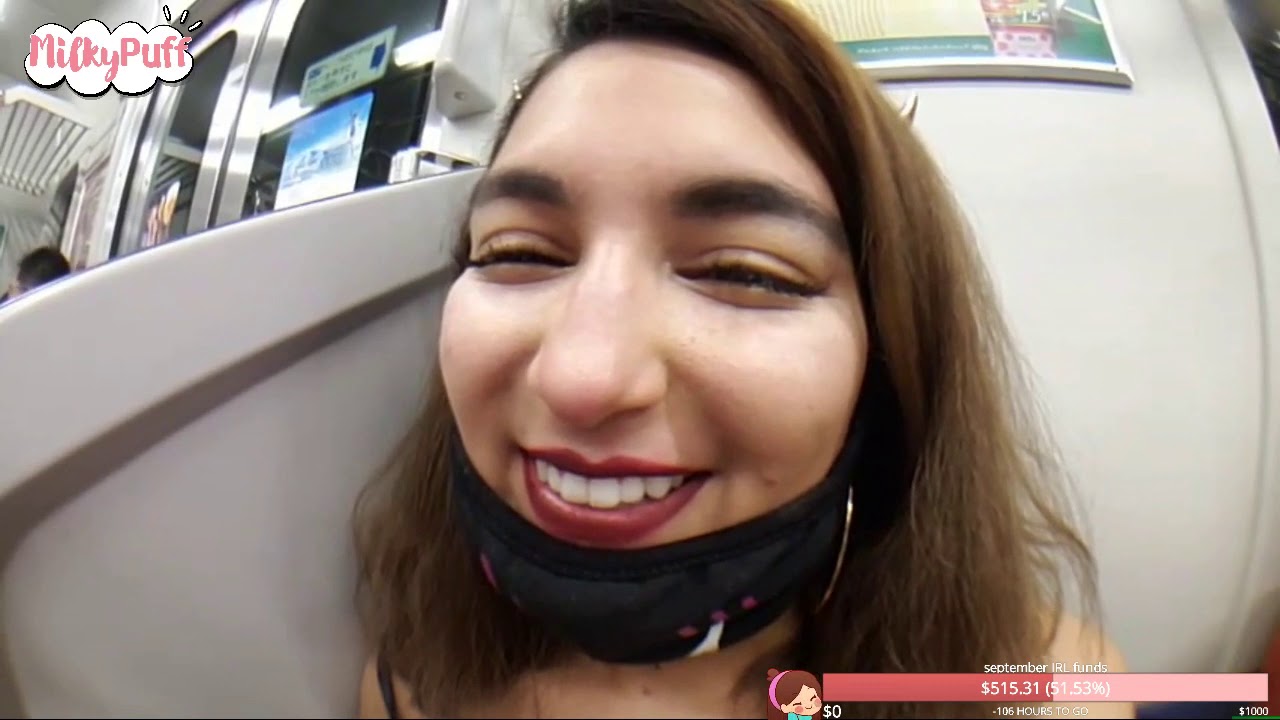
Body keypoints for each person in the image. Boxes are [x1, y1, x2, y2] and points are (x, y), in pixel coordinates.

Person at [353, 0, 1131, 717]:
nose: (582, 378)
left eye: (744, 272)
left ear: (885, 361)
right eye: (518, 252)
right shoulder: (414, 688)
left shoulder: (1055, 695)